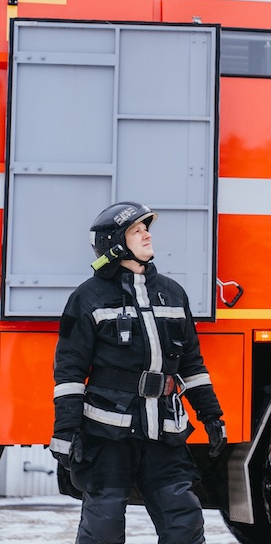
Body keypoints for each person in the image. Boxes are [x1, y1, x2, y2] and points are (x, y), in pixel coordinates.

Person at [50, 201, 227, 544]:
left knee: (184, 523)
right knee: (103, 526)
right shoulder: (88, 298)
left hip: (164, 431)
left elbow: (191, 363)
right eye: (136, 229)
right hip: (107, 434)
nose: (147, 234)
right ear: (116, 243)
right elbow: (69, 371)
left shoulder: (173, 294)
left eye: (146, 228)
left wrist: (211, 414)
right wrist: (66, 432)